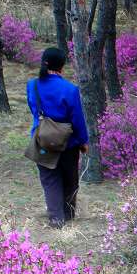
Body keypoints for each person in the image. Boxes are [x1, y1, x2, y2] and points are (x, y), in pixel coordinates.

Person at [27, 47, 89, 229]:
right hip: (68, 142)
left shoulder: (32, 85)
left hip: (42, 140)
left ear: (43, 63)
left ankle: (56, 219)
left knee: (49, 180)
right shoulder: (70, 89)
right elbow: (77, 119)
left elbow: (33, 110)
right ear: (62, 65)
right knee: (70, 179)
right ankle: (69, 215)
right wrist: (83, 141)